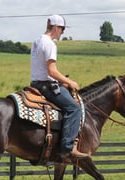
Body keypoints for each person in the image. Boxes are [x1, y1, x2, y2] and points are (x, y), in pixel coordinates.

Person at [30, 14, 90, 163]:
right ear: (55, 27)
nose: (62, 32)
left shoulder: (37, 41)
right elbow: (52, 71)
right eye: (62, 29)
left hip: (35, 83)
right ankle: (68, 149)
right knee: (74, 108)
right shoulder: (50, 44)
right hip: (46, 85)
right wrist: (70, 82)